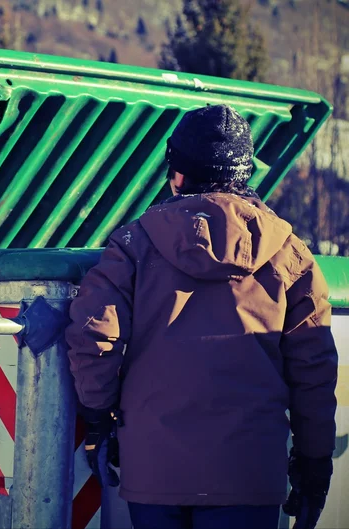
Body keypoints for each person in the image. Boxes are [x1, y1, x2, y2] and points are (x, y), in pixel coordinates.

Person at [66, 104, 338, 529]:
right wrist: (314, 462)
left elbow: (93, 336)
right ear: (244, 173)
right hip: (250, 476)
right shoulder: (291, 255)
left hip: (154, 470)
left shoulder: (133, 244)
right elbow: (314, 370)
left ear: (177, 175)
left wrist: (101, 419)